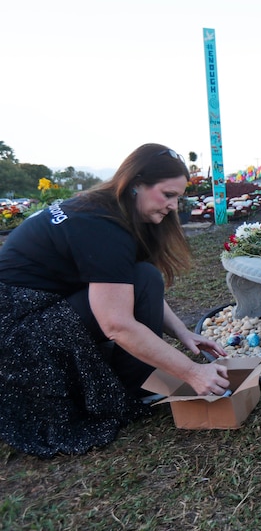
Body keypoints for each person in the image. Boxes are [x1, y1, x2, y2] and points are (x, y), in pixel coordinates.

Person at [0, 143, 229, 458]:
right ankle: (134, 382)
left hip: (33, 311)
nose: (174, 206)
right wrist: (191, 372)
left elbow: (131, 284)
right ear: (136, 185)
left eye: (179, 197)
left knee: (144, 276)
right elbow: (116, 324)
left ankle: (135, 375)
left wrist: (182, 332)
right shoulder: (102, 227)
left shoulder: (106, 210)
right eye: (168, 195)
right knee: (141, 285)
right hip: (18, 335)